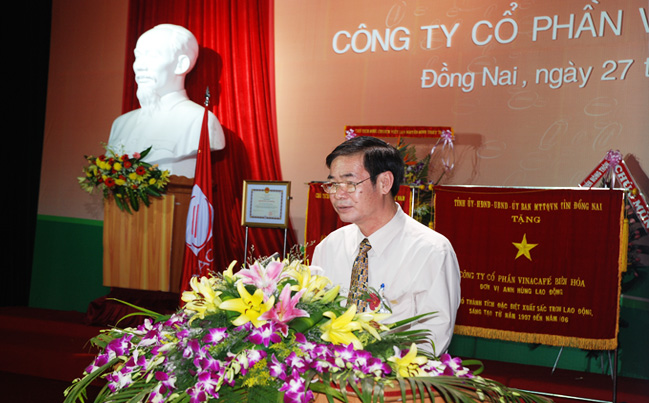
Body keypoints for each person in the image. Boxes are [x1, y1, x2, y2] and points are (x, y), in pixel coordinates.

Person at [312, 136, 461, 355]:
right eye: (333, 184)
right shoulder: (329, 247)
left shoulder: (431, 251)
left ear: (384, 183)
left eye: (350, 184)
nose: (338, 195)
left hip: (395, 373)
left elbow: (432, 341)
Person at [108, 24, 225, 178]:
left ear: (181, 64)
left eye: (152, 56)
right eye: (138, 56)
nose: (139, 66)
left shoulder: (200, 121)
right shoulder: (121, 124)